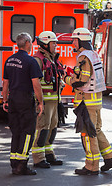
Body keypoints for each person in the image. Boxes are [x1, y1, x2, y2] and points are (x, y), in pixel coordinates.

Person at [63, 28, 112, 175]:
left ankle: (91, 166)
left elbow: (82, 80)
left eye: (75, 40)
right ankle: (110, 159)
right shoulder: (93, 54)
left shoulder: (83, 56)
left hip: (86, 102)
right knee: (96, 131)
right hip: (96, 101)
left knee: (88, 135)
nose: (73, 42)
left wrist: (66, 79)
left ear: (81, 41)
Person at [2, 33, 44, 176]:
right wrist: (40, 102)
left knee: (16, 131)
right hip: (25, 99)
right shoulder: (30, 61)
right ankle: (22, 165)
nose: (32, 45)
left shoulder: (9, 60)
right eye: (31, 42)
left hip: (13, 98)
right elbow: (36, 84)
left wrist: (4, 100)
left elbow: (5, 83)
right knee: (27, 133)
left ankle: (14, 163)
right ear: (26, 43)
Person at [31, 31, 64, 168]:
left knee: (52, 128)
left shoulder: (51, 59)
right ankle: (38, 158)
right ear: (45, 44)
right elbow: (35, 82)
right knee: (42, 129)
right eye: (53, 43)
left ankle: (49, 154)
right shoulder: (37, 60)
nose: (56, 45)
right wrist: (39, 101)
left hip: (54, 101)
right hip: (44, 101)